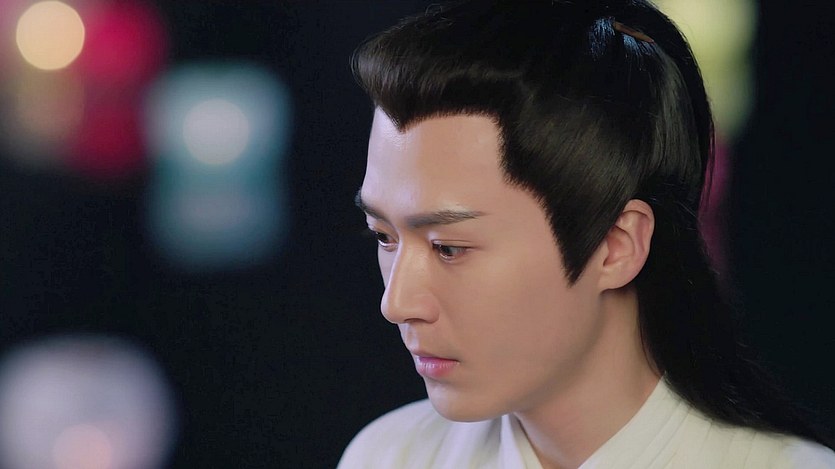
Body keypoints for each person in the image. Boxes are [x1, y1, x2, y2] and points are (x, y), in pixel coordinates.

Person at [338, 1, 835, 467]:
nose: (396, 303)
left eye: (449, 248)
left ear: (616, 246)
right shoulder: (389, 456)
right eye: (383, 236)